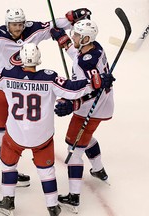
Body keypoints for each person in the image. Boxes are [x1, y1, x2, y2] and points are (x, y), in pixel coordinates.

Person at [0, 43, 115, 216]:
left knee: (8, 166)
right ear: (38, 59)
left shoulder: (7, 76)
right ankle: (52, 206)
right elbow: (73, 89)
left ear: (20, 59)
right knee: (47, 172)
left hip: (15, 136)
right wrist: (95, 82)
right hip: (42, 137)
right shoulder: (50, 78)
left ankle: (7, 202)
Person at [0, 7, 92, 192]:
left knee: (19, 131)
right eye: (14, 24)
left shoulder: (31, 30)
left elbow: (52, 25)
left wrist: (71, 18)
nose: (18, 28)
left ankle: (9, 169)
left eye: (20, 24)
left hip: (22, 88)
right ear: (7, 24)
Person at [50, 19, 115, 213]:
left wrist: (72, 103)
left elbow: (92, 91)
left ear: (86, 38)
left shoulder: (89, 64)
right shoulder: (94, 48)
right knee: (85, 138)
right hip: (104, 105)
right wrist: (64, 41)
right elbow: (79, 57)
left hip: (91, 109)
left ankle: (74, 197)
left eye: (76, 36)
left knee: (74, 148)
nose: (73, 37)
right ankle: (98, 170)